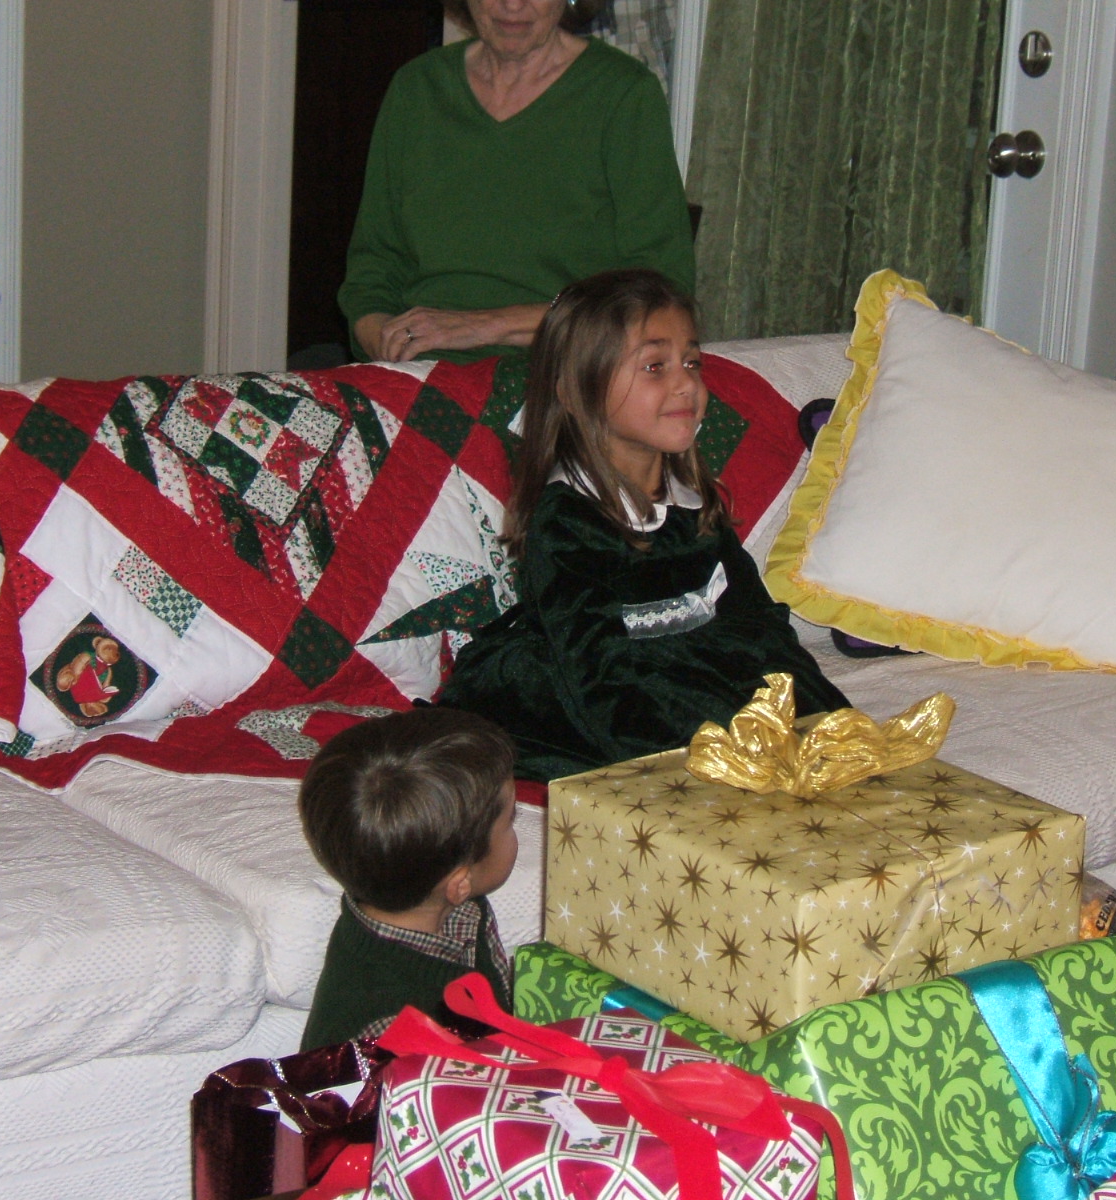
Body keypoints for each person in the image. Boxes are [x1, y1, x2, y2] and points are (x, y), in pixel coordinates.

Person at [440, 268, 852, 781]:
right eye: (655, 366)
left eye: (692, 362)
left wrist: (825, 717)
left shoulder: (692, 499)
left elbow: (756, 621)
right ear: (576, 391)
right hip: (602, 686)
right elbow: (600, 671)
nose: (687, 383)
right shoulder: (568, 519)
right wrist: (695, 759)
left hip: (687, 666)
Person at [340, 0, 695, 364]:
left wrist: (483, 326)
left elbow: (659, 291)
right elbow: (373, 270)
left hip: (557, 368)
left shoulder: (623, 93)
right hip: (417, 364)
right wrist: (385, 344)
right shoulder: (417, 88)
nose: (512, 5)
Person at [299, 708, 518, 1049]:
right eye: (511, 821)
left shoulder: (453, 906)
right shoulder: (389, 1032)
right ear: (459, 884)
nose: (515, 829)